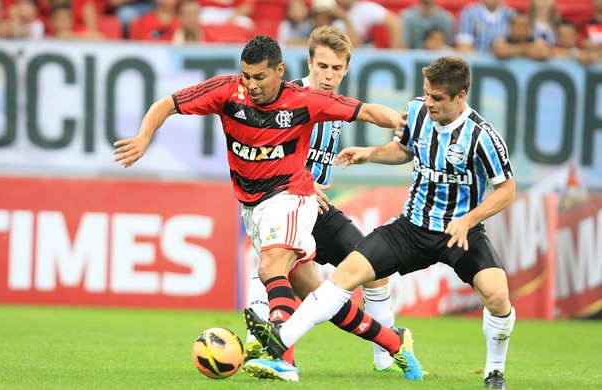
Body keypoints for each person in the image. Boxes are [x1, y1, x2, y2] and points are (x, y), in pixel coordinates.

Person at [113, 34, 421, 383]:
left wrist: (403, 123)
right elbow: (165, 104)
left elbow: (367, 111)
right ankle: (394, 341)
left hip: (291, 197)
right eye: (246, 76)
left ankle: (282, 359)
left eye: (260, 77)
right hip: (254, 206)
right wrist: (143, 137)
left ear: (279, 70)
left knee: (271, 266)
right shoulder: (228, 92)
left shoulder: (304, 101)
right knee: (310, 292)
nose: (252, 84)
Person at [244, 55, 517, 390]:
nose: (428, 102)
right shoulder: (417, 112)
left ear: (461, 97)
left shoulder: (482, 136)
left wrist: (468, 220)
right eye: (427, 93)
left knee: (498, 296)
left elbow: (506, 190)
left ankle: (494, 372)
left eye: (437, 98)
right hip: (411, 227)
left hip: (459, 232)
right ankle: (280, 344)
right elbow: (404, 150)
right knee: (345, 276)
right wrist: (369, 153)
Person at [243, 25, 407, 379]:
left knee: (374, 266)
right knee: (284, 277)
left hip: (319, 210)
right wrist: (300, 179)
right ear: (310, 63)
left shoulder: (336, 105)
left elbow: (368, 113)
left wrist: (399, 123)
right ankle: (268, 351)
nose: (328, 75)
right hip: (284, 202)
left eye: (336, 68)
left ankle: (389, 353)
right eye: (322, 66)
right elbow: (265, 146)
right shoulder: (287, 97)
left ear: (346, 68)